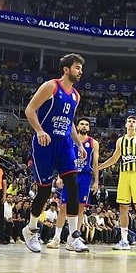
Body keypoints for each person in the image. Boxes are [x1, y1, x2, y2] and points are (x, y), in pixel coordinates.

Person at [21, 53, 89, 254]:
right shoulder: (51, 86)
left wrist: (80, 144)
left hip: (65, 144)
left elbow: (70, 123)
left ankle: (73, 237)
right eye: (77, 67)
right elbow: (30, 110)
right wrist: (40, 130)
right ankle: (31, 229)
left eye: (81, 68)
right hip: (45, 142)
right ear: (66, 69)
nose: (80, 71)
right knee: (43, 191)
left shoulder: (76, 96)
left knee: (72, 184)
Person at [97, 114, 136, 251]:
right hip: (124, 175)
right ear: (126, 125)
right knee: (123, 207)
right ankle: (124, 240)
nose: (131, 123)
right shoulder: (120, 141)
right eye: (129, 121)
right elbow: (114, 158)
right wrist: (99, 166)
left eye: (134, 121)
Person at [47, 118, 99, 249]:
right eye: (82, 123)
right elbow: (62, 158)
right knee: (64, 207)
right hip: (70, 174)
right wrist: (59, 176)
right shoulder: (69, 139)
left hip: (85, 177)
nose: (84, 126)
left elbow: (95, 164)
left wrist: (96, 181)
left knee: (80, 208)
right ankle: (56, 238)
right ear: (77, 126)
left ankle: (73, 239)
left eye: (86, 124)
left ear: (89, 128)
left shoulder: (94, 143)